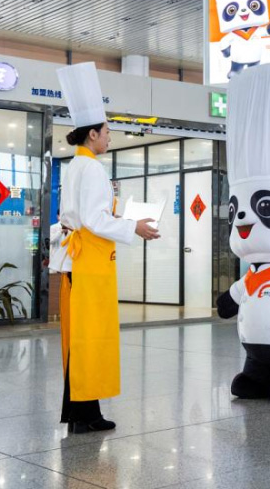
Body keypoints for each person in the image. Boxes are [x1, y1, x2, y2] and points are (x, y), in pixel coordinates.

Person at [52, 63, 159, 434]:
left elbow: (84, 217)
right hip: (89, 266)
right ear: (93, 133)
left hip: (77, 262)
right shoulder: (93, 169)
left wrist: (124, 223)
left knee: (81, 341)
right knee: (90, 340)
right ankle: (85, 414)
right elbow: (95, 220)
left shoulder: (75, 166)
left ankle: (82, 412)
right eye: (107, 132)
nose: (110, 138)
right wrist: (134, 227)